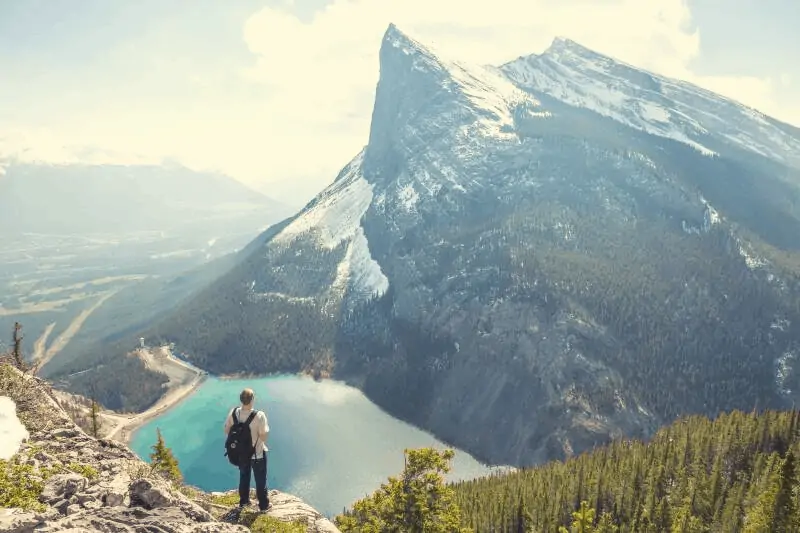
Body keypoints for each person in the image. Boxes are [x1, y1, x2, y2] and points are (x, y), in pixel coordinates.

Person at [223, 387, 270, 511]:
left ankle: (244, 503)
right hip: (257, 455)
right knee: (260, 481)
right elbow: (264, 435)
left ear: (241, 399)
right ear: (252, 400)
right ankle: (263, 506)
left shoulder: (233, 413)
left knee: (244, 477)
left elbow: (226, 430)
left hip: (242, 454)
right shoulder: (259, 415)